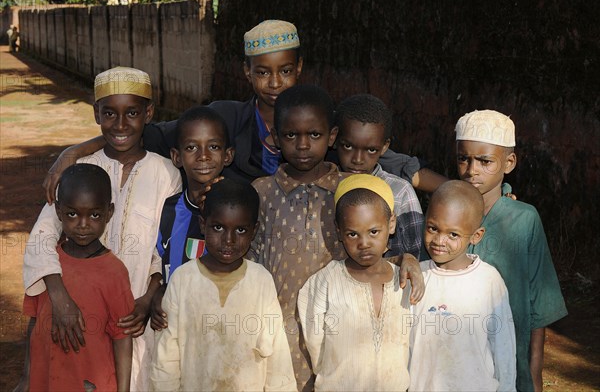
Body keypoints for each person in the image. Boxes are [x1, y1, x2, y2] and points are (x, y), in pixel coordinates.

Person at [41, 20, 447, 201]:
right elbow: (142, 133)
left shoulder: (318, 121)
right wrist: (73, 152)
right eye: (263, 73)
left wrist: (465, 192)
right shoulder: (224, 118)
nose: (275, 84)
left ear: (299, 69)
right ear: (246, 73)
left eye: (285, 71)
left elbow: (391, 160)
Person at [250, 84, 423, 391]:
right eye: (291, 135)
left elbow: (372, 250)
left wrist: (404, 257)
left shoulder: (351, 189)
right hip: (273, 334)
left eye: (314, 135)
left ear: (330, 137)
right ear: (275, 139)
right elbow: (248, 260)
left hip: (337, 341)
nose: (303, 145)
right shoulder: (262, 193)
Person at [22, 67, 182, 391]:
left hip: (136, 317)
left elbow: (165, 246)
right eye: (109, 113)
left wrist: (148, 298)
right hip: (78, 316)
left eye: (132, 113)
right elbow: (43, 235)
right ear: (96, 113)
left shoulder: (167, 173)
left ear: (148, 113)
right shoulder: (80, 169)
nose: (120, 125)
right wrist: (60, 296)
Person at [455, 109, 567, 391]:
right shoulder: (446, 213)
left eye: (485, 161)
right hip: (453, 356)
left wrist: (534, 375)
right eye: (463, 159)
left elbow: (538, 305)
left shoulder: (523, 219)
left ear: (509, 162)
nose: (472, 170)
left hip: (507, 360)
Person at [150, 179, 297, 391]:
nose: (229, 240)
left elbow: (277, 355)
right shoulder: (182, 279)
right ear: (203, 225)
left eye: (240, 230)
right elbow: (166, 358)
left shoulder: (260, 280)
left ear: (254, 231)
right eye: (218, 227)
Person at [297, 174, 422, 391]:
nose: (364, 243)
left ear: (391, 224)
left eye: (374, 232)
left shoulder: (405, 281)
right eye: (352, 234)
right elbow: (315, 345)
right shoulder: (325, 282)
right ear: (339, 231)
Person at [20, 163, 135, 391]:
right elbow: (34, 322)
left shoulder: (114, 272)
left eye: (94, 215)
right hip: (44, 380)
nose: (83, 225)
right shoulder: (47, 265)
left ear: (109, 213)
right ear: (59, 211)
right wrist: (26, 378)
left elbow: (122, 337)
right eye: (72, 214)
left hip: (90, 383)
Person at [408, 180, 516, 391]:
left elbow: (503, 346)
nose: (439, 240)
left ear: (476, 236)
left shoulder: (488, 281)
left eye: (453, 234)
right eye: (433, 228)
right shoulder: (417, 276)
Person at [150, 105, 234, 331]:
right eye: (191, 147)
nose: (203, 156)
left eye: (213, 146)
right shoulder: (166, 210)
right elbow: (157, 262)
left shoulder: (238, 209)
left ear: (228, 155)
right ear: (176, 157)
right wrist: (158, 292)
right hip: (174, 330)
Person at [334, 94, 426, 260]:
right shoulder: (324, 188)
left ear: (384, 147)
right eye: (348, 146)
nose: (358, 159)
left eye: (370, 150)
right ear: (333, 139)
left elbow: (417, 255)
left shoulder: (399, 192)